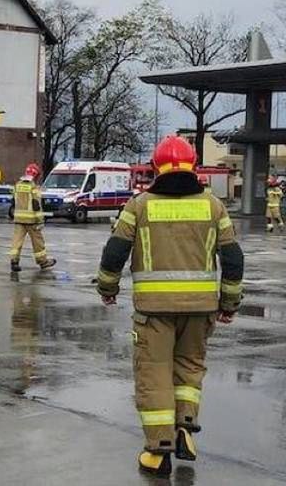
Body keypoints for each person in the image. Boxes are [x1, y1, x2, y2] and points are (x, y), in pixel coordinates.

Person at [94, 135, 244, 477]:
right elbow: (234, 260)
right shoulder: (213, 206)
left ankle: (158, 451)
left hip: (153, 311)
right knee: (189, 369)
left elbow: (114, 252)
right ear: (193, 166)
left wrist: (107, 287)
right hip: (201, 308)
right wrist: (229, 303)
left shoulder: (139, 205)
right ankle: (185, 429)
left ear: (154, 167)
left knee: (154, 373)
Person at [9, 163, 56, 272]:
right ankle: (43, 262)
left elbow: (14, 201)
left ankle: (14, 262)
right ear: (35, 175)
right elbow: (36, 205)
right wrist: (40, 221)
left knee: (17, 242)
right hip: (32, 221)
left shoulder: (17, 185)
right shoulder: (33, 187)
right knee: (38, 242)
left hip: (19, 220)